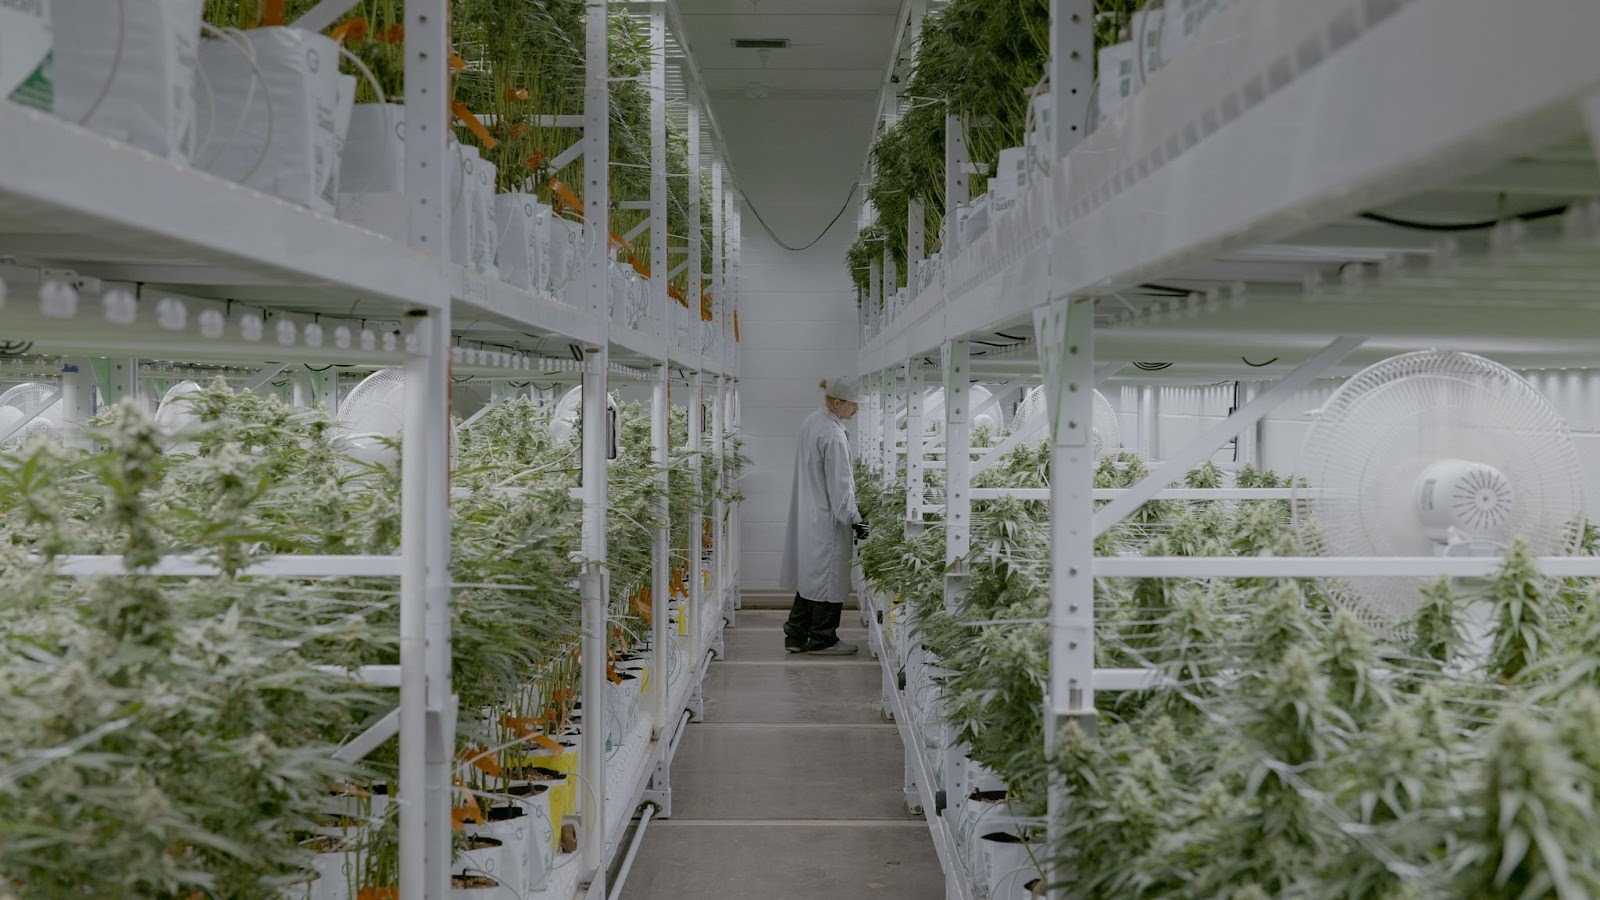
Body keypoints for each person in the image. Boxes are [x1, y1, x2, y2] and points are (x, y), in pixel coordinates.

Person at [779, 375, 871, 655]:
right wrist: (855, 519)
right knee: (829, 579)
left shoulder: (813, 422)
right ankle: (823, 638)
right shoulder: (832, 434)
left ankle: (795, 635)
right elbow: (840, 485)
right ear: (837, 402)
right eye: (853, 405)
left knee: (813, 577)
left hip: (812, 513)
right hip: (828, 517)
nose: (857, 410)